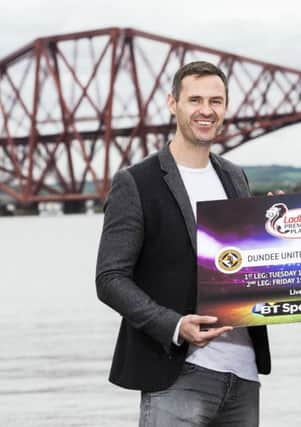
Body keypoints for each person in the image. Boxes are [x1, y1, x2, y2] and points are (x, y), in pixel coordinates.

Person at [96, 61, 270, 427]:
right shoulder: (135, 181)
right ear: (172, 103)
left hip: (243, 373)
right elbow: (110, 278)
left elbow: (248, 264)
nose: (206, 110)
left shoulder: (235, 177)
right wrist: (174, 326)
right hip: (177, 374)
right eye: (195, 100)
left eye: (216, 101)